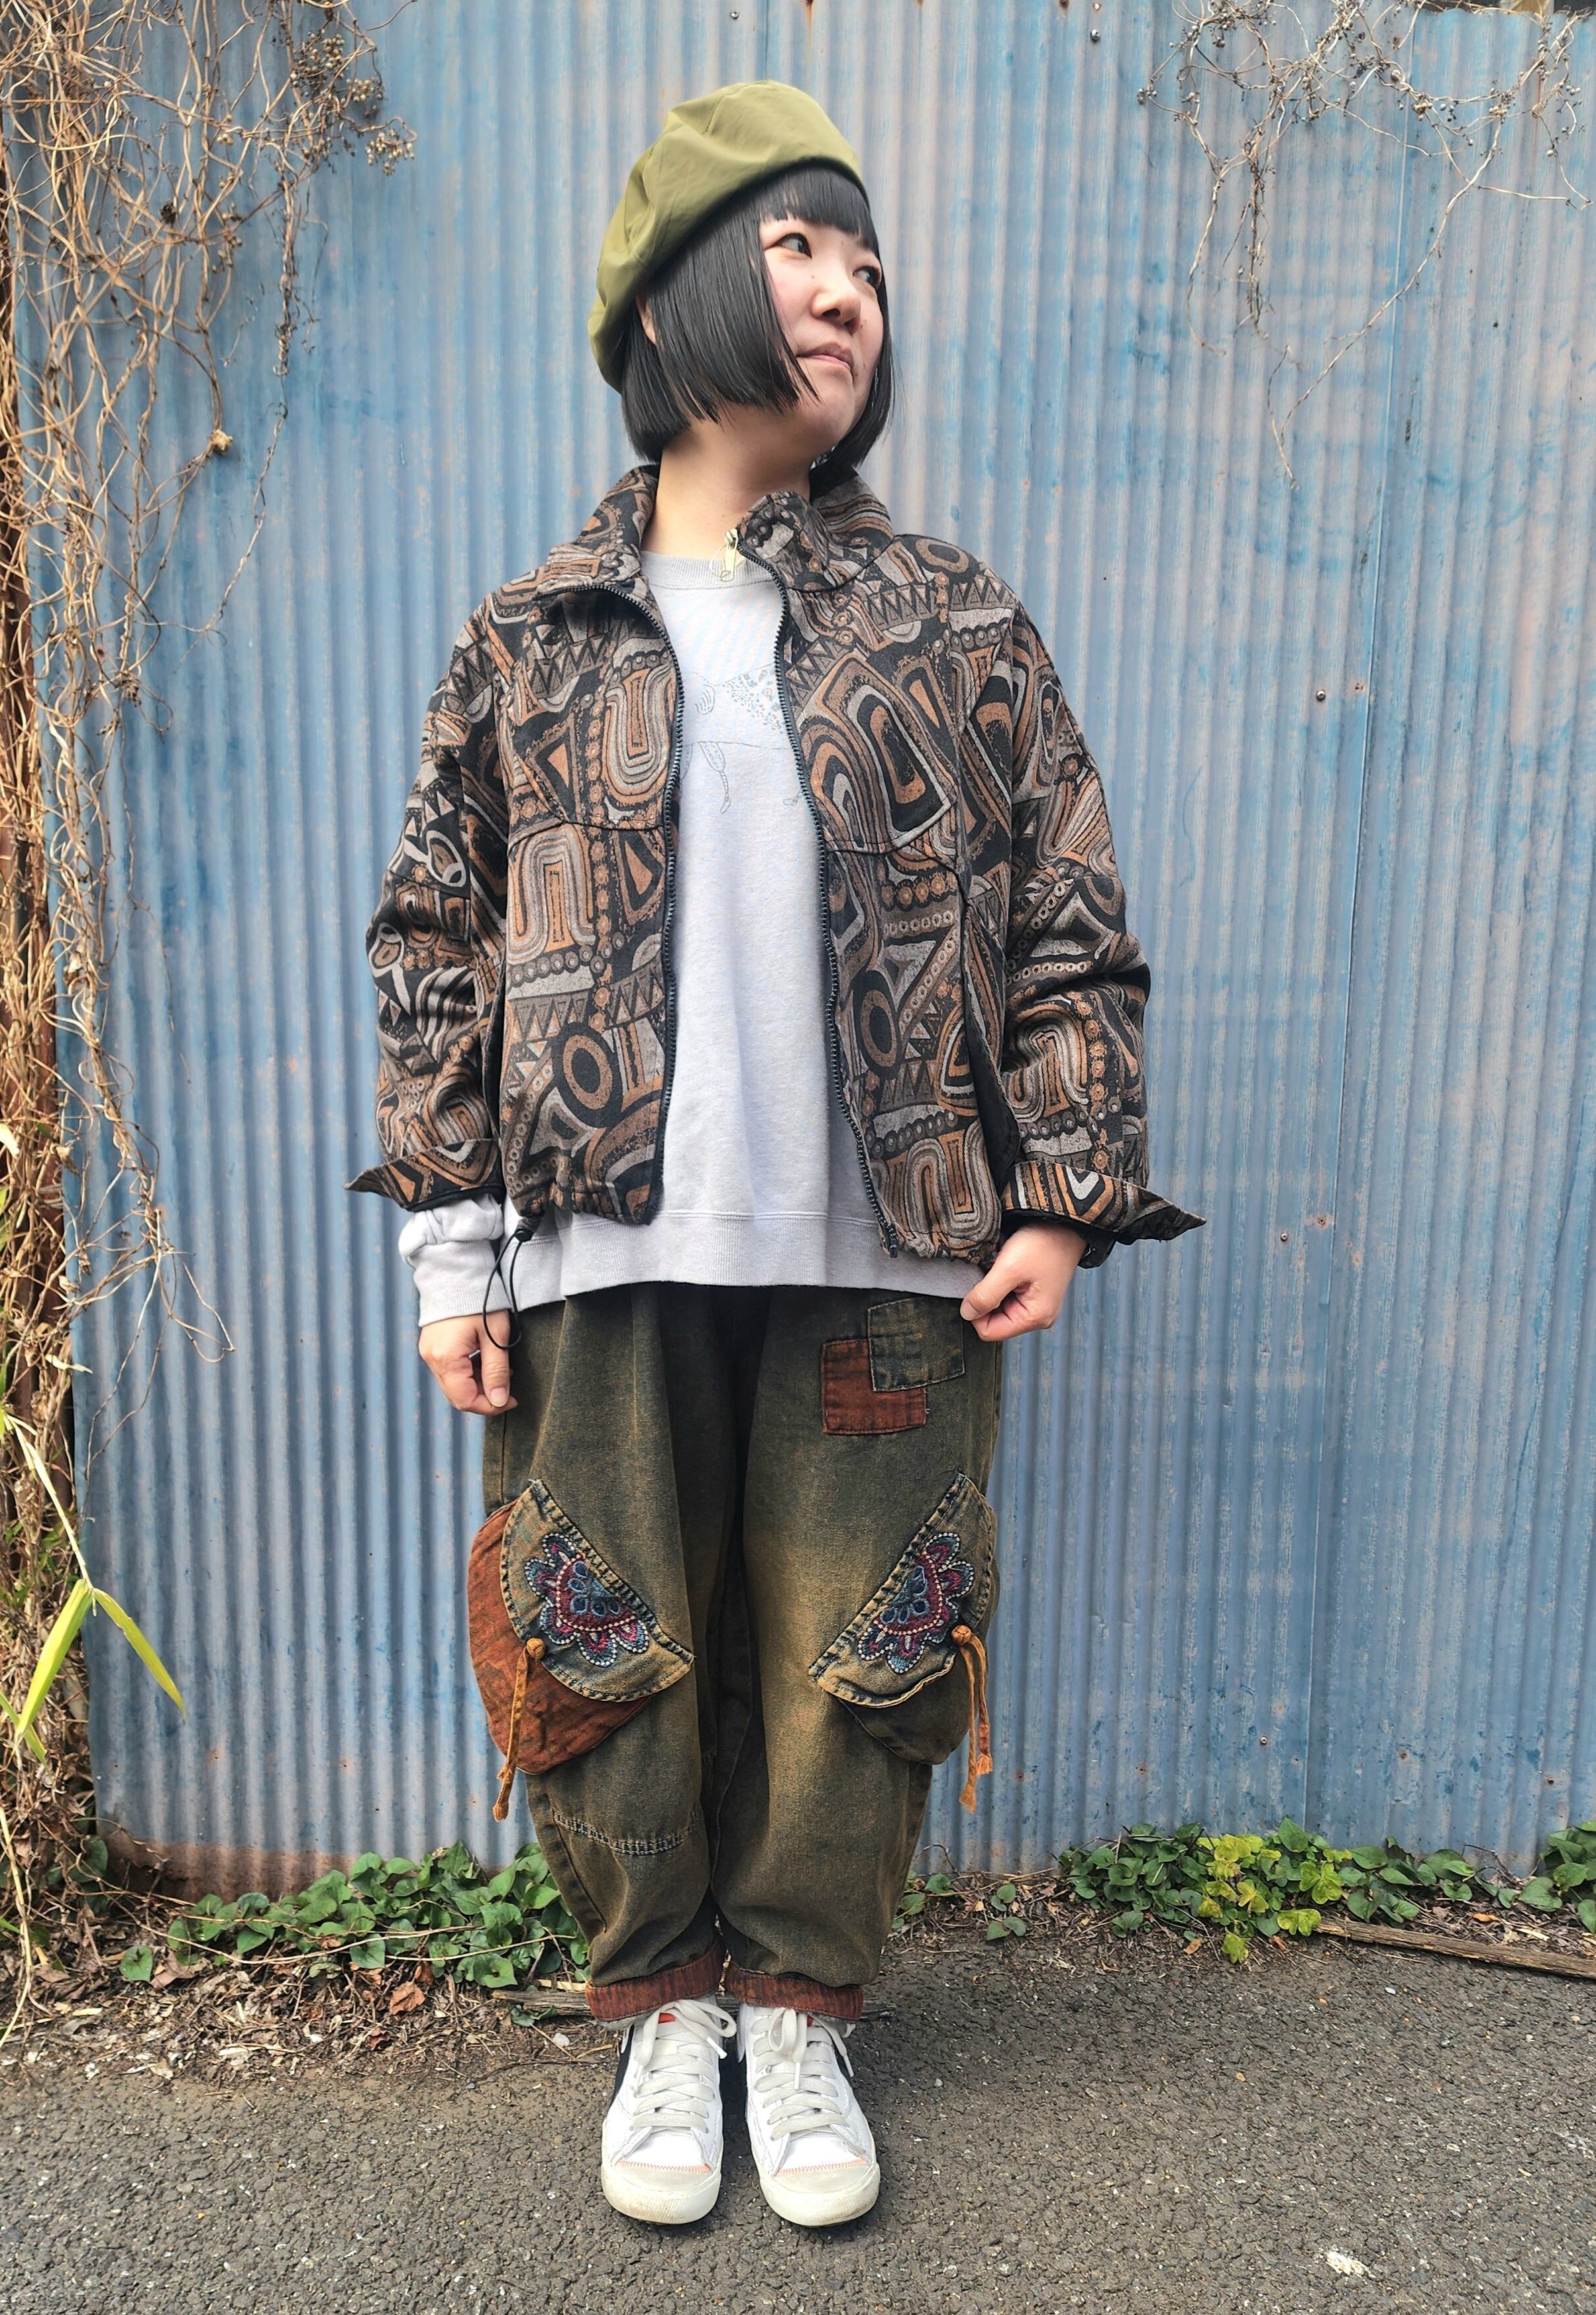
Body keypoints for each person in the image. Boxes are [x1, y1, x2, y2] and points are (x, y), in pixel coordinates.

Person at [355, 81, 1200, 2229]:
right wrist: (451, 1248)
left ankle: (801, 2010)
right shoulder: (533, 635)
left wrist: (1058, 1191)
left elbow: (1068, 920)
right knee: (601, 1625)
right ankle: (665, 2004)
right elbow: (437, 944)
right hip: (593, 1245)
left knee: (865, 1647)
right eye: (799, 248)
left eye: (868, 267)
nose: (846, 294)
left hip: (885, 1248)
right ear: (670, 302)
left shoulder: (948, 619)